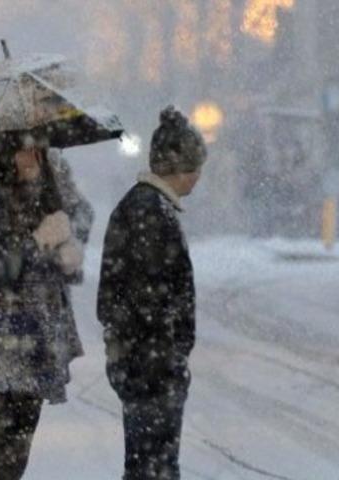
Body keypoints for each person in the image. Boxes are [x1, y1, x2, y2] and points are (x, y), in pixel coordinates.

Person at [0, 136, 88, 479]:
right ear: (5, 155)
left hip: (36, 346)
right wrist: (37, 241)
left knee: (15, 460)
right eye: (23, 149)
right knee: (4, 461)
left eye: (38, 150)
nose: (32, 157)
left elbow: (46, 275)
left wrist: (66, 257)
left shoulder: (49, 201)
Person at [98, 106, 206, 480]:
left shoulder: (142, 206)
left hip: (142, 361)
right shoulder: (152, 214)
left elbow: (118, 297)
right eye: (197, 167)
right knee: (154, 466)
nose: (199, 177)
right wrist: (168, 355)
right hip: (151, 366)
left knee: (146, 463)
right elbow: (150, 298)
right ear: (182, 168)